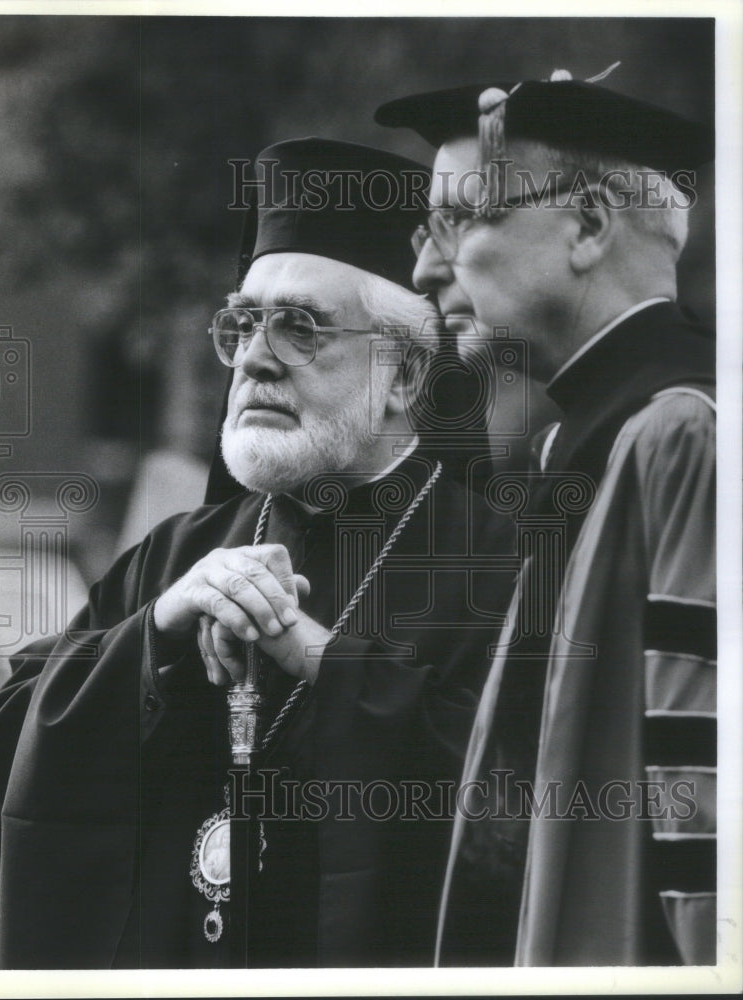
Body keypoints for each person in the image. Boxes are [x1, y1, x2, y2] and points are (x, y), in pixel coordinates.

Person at [0, 137, 515, 969]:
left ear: (403, 376)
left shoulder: (501, 566)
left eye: (299, 328)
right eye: (242, 323)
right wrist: (150, 641)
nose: (255, 357)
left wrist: (321, 664)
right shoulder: (178, 555)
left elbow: (525, 822)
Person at [376, 71, 716, 965]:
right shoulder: (579, 440)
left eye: (464, 218)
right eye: (426, 227)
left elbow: (707, 809)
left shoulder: (685, 429)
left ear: (590, 226)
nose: (423, 265)